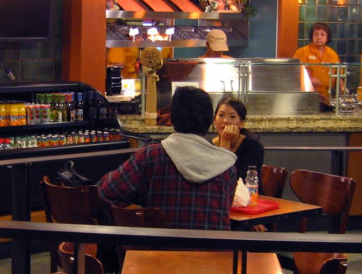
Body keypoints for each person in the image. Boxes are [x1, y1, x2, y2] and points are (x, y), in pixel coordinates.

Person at [97, 86, 237, 230]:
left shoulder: (150, 157)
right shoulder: (227, 167)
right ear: (210, 121)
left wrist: (136, 212)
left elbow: (104, 192)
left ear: (172, 117)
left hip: (161, 244)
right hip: (214, 244)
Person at [210, 96, 268, 232]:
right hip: (217, 207)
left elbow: (238, 183)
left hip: (245, 205)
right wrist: (224, 143)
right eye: (221, 115)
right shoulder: (208, 147)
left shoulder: (253, 147)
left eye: (232, 117)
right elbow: (215, 186)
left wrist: (253, 217)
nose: (225, 121)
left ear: (241, 123)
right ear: (214, 120)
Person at [292, 23, 340, 104]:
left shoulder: (333, 54)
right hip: (306, 97)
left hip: (326, 99)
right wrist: (309, 80)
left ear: (327, 38)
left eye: (322, 35)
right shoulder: (302, 52)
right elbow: (293, 72)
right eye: (316, 34)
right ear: (312, 36)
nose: (319, 37)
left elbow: (339, 75)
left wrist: (342, 88)